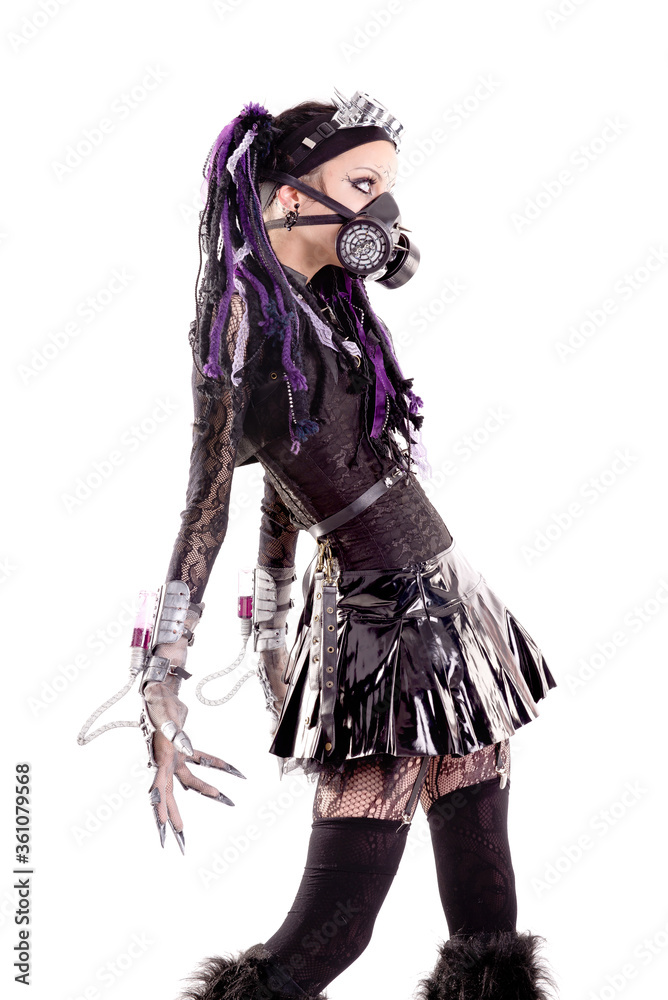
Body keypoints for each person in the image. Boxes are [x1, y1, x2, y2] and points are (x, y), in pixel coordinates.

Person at [135, 91, 559, 999]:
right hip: (382, 629)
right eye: (362, 185)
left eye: (386, 188)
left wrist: (272, 617)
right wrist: (162, 673)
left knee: (487, 907)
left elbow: (286, 472)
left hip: (446, 602)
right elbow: (207, 498)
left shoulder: (324, 301)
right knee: (334, 929)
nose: (382, 212)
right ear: (291, 196)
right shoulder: (240, 316)